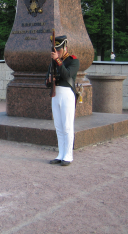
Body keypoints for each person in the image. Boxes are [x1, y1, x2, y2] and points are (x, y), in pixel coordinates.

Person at [45, 35, 79, 166]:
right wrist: (48, 82)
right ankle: (60, 154)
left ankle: (68, 155)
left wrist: (58, 60)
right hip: (56, 94)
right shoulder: (53, 61)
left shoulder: (73, 60)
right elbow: (47, 78)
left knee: (67, 126)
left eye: (59, 50)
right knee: (58, 126)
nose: (57, 52)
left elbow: (66, 75)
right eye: (55, 50)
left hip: (66, 94)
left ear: (65, 48)